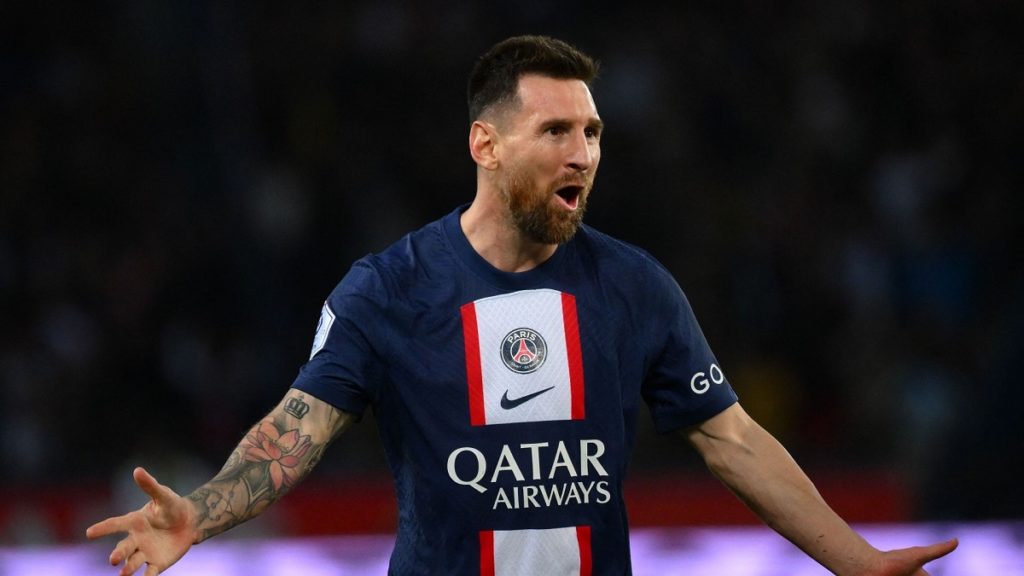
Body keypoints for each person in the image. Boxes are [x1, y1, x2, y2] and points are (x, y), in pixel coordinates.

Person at [87, 35, 957, 576]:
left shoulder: (634, 286)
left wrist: (856, 560)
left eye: (593, 133)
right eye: (556, 131)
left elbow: (732, 440)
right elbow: (295, 432)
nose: (584, 153)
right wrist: (201, 512)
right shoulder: (387, 290)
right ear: (486, 144)